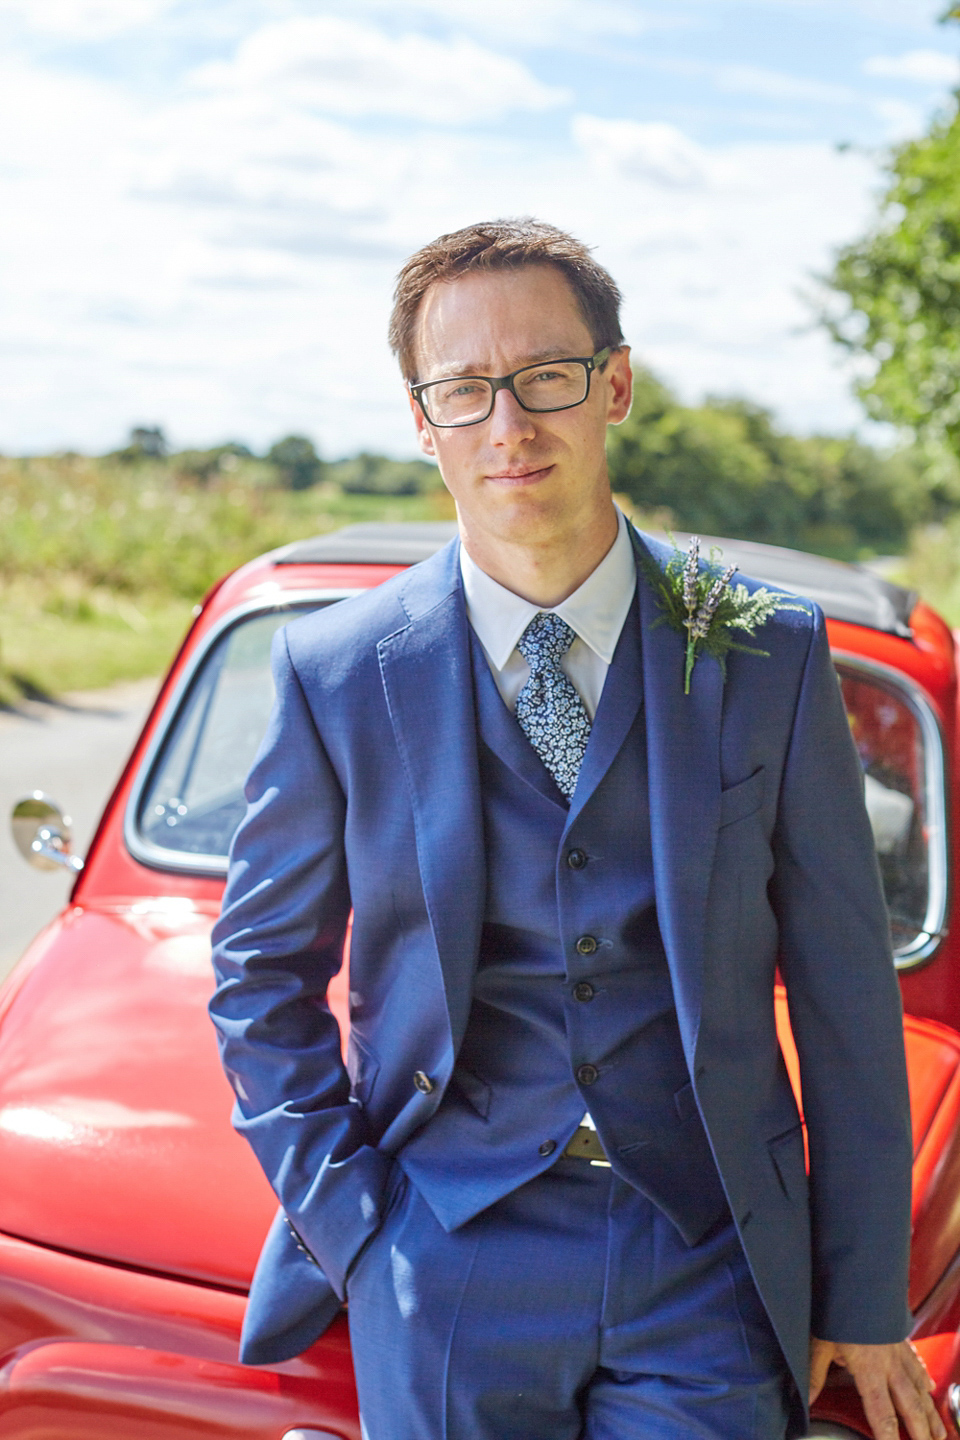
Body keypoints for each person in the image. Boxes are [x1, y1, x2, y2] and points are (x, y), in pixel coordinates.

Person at [210, 219, 943, 1440]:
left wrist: (864, 1294)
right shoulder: (336, 671)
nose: (509, 424)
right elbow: (258, 978)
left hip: (705, 1254)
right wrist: (356, 1228)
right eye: (464, 389)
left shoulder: (767, 650)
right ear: (421, 419)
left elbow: (845, 988)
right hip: (443, 1249)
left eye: (546, 376)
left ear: (614, 386)